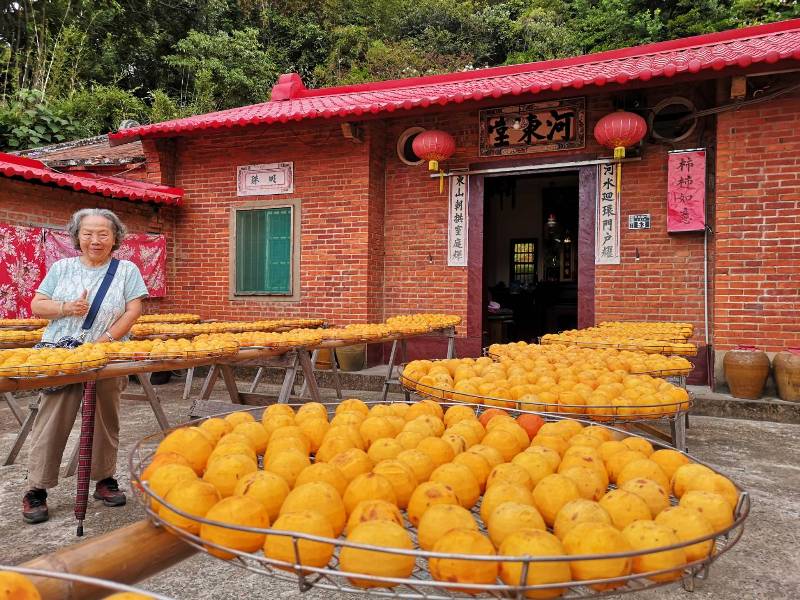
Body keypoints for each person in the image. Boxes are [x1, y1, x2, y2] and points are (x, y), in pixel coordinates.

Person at [23, 208, 148, 524]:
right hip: (62, 357)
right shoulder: (62, 268)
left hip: (106, 357)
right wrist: (66, 307)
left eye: (103, 234)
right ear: (77, 236)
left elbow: (133, 310)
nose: (96, 240)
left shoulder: (126, 270)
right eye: (88, 233)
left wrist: (105, 340)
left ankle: (103, 479)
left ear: (115, 237)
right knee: (52, 419)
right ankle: (36, 488)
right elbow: (37, 305)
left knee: (106, 419)